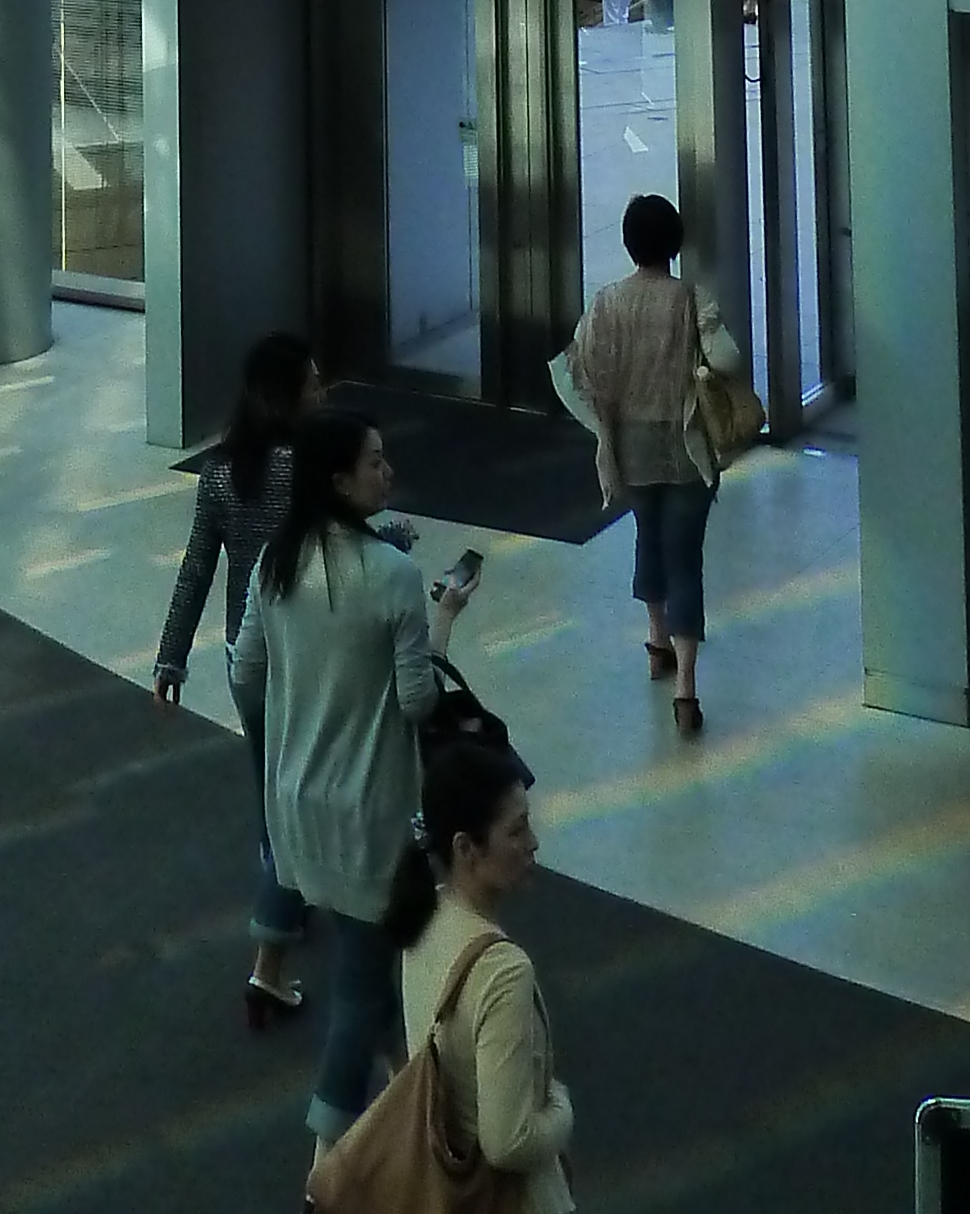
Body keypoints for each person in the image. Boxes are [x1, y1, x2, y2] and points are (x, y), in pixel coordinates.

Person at [234, 407, 473, 1163]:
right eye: (375, 462)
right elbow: (416, 702)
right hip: (371, 809)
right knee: (364, 982)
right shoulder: (394, 577)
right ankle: (324, 1167)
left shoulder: (275, 562)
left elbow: (245, 674)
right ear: (339, 480)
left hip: (295, 799)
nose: (388, 471)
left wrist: (278, 736)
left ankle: (409, 1082)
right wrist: (443, 624)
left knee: (360, 958)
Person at [154, 330, 321, 1026]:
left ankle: (285, 889)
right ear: (290, 395)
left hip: (240, 656)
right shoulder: (308, 470)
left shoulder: (223, 472)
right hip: (302, 653)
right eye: (315, 382)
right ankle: (274, 938)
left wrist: (170, 655)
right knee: (303, 796)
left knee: (268, 781)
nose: (325, 390)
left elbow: (198, 567)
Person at [567, 191, 744, 736]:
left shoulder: (607, 303)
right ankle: (687, 691)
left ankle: (655, 644)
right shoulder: (691, 300)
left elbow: (581, 370)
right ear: (675, 242)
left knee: (648, 539)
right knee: (685, 559)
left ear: (627, 242)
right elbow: (729, 358)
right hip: (687, 447)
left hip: (633, 449)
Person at [378, 743, 575, 1213]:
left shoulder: (424, 919)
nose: (533, 843)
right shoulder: (502, 971)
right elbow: (508, 1141)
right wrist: (561, 1108)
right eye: (517, 829)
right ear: (466, 848)